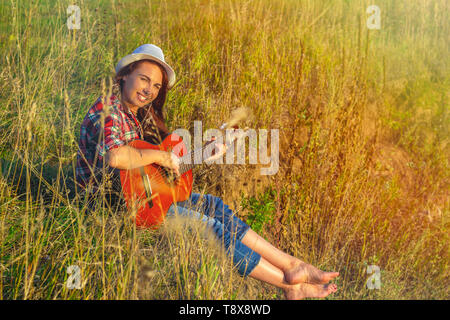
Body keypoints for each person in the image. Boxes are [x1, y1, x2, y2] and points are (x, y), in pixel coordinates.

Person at [75, 44, 339, 299]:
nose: (150, 90)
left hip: (141, 196)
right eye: (144, 79)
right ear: (123, 75)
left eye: (156, 86)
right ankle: (287, 285)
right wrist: (162, 155)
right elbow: (115, 156)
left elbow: (153, 170)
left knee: (214, 206)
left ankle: (292, 265)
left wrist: (204, 153)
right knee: (211, 227)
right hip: (114, 207)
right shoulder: (109, 109)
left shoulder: (136, 115)